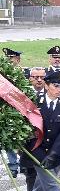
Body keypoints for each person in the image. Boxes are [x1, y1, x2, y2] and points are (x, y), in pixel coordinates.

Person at [25, 70, 60, 191]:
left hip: (55, 154)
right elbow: (28, 130)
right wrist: (41, 153)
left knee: (40, 190)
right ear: (46, 85)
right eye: (56, 86)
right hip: (37, 152)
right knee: (52, 190)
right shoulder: (34, 103)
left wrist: (53, 154)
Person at [3, 48, 29, 178]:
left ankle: (23, 163)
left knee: (22, 139)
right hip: (7, 111)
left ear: (17, 59)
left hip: (21, 111)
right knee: (8, 138)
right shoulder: (2, 74)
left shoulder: (24, 74)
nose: (8, 61)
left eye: (10, 58)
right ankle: (13, 165)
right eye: (6, 58)